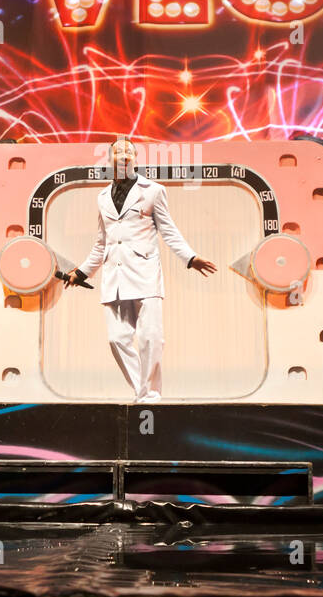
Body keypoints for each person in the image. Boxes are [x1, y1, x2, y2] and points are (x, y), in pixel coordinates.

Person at [63, 137, 217, 403]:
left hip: (145, 273)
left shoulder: (153, 190)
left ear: (135, 158)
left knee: (151, 339)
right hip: (115, 276)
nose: (124, 155)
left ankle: (150, 395)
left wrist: (190, 258)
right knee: (117, 340)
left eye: (129, 151)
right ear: (109, 158)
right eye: (118, 151)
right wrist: (82, 272)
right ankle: (142, 390)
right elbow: (102, 242)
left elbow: (168, 230)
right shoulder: (102, 197)